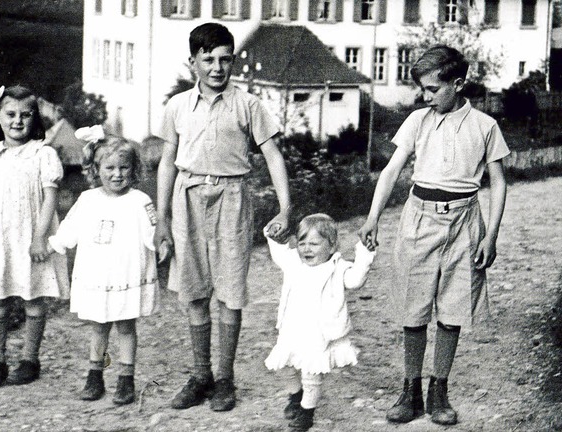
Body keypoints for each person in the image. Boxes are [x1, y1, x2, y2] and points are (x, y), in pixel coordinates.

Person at [358, 45, 510, 426]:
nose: (424, 97)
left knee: (454, 308)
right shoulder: (417, 121)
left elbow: (499, 182)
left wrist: (490, 236)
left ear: (457, 84)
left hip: (464, 222)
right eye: (422, 90)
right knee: (414, 307)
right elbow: (392, 170)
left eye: (431, 89)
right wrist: (373, 217)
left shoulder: (484, 126)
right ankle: (410, 390)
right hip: (419, 220)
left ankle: (438, 389)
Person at [154, 22, 291, 412]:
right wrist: (162, 217)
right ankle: (201, 376)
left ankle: (225, 380)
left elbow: (272, 154)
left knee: (230, 293)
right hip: (188, 197)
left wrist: (285, 207)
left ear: (233, 61)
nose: (217, 67)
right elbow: (167, 161)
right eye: (208, 59)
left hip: (232, 198)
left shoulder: (248, 104)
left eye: (225, 59)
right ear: (193, 61)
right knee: (195, 291)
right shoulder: (178, 105)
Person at [46, 127, 159, 405]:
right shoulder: (88, 200)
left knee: (125, 326)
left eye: (124, 168)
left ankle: (125, 379)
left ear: (133, 170)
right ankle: (95, 375)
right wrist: (54, 244)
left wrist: (164, 244)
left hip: (126, 274)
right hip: (97, 274)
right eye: (110, 168)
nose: (117, 174)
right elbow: (70, 228)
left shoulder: (140, 201)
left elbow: (154, 234)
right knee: (98, 326)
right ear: (96, 169)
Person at [0, 84, 70, 389]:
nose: (18, 121)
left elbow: (50, 199)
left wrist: (40, 238)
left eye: (26, 115)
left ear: (34, 119)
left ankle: (29, 360)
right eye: (11, 114)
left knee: (33, 300)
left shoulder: (43, 154)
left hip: (30, 240)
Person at [265, 214, 375, 431]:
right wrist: (274, 233)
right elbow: (278, 251)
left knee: (311, 372)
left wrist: (365, 252)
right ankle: (295, 396)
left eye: (314, 244)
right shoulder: (294, 263)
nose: (307, 249)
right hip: (292, 328)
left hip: (319, 333)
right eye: (302, 243)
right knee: (285, 365)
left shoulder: (338, 267)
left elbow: (355, 281)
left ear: (332, 245)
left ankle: (307, 411)